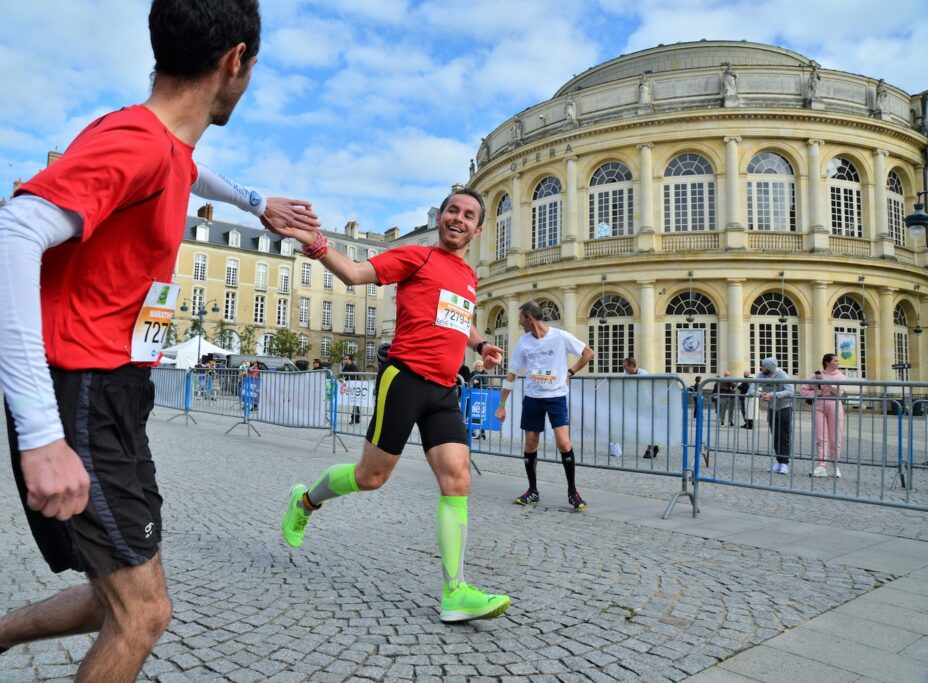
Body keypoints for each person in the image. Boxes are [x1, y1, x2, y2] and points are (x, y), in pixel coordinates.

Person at [0, 3, 321, 682]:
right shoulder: (137, 141)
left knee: (120, 592)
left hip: (114, 393)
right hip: (82, 395)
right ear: (236, 61)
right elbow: (2, 240)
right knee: (144, 612)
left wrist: (255, 202)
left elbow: (191, 170)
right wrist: (42, 432)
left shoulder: (162, 147)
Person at [276, 188, 511, 623]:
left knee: (457, 480)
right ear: (441, 218)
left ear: (478, 229)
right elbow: (353, 273)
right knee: (371, 477)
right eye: (452, 210)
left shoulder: (469, 276)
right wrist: (316, 243)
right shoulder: (415, 257)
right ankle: (305, 501)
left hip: (444, 390)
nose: (458, 218)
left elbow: (459, 315)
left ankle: (455, 592)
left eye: (469, 215)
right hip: (404, 381)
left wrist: (480, 343)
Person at [494, 301, 594, 509]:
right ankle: (532, 491)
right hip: (532, 398)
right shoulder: (523, 343)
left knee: (564, 444)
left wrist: (570, 372)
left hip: (556, 397)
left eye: (521, 318)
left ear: (530, 318)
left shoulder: (560, 336)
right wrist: (502, 405)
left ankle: (573, 492)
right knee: (530, 443)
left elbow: (588, 353)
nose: (519, 322)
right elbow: (511, 375)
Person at [799, 354, 846, 478]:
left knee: (835, 436)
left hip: (835, 403)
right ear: (827, 362)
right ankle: (821, 465)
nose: (838, 363)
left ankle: (835, 465)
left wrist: (825, 382)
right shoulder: (815, 375)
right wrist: (815, 392)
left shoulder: (840, 376)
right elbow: (803, 390)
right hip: (819, 404)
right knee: (820, 435)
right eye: (835, 360)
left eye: (837, 361)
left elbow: (839, 391)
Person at [749, 357, 794, 474]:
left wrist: (772, 395)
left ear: (769, 367)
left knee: (784, 435)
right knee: (775, 435)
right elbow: (751, 390)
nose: (761, 368)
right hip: (771, 408)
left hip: (785, 407)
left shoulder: (782, 374)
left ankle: (784, 463)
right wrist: (761, 394)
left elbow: (790, 391)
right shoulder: (760, 375)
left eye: (763, 366)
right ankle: (779, 462)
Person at [612, 358, 661, 459]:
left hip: (649, 404)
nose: (623, 368)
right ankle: (655, 445)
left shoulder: (643, 374)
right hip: (636, 404)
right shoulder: (626, 375)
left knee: (649, 426)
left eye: (625, 366)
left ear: (631, 366)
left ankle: (650, 449)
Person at [340, 354, 361, 424]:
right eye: (345, 359)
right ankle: (357, 418)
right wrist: (341, 377)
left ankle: (354, 418)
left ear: (350, 360)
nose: (345, 360)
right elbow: (342, 373)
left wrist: (344, 378)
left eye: (346, 359)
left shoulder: (354, 367)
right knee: (355, 403)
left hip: (355, 387)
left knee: (355, 402)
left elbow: (353, 376)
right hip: (349, 386)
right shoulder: (346, 366)